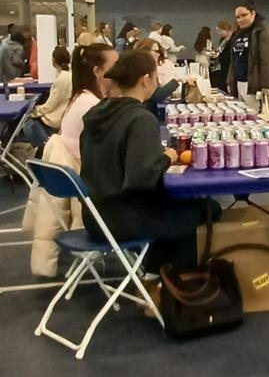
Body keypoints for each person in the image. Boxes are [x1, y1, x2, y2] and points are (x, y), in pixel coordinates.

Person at [79, 49, 216, 273]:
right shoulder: (140, 119)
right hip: (121, 218)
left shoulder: (97, 114)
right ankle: (177, 283)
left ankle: (155, 273)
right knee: (204, 210)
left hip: (94, 214)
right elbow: (141, 179)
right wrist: (167, 158)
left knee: (175, 207)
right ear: (145, 80)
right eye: (156, 77)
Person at [60, 41, 117, 164]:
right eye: (115, 67)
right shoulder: (92, 107)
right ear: (97, 71)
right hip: (86, 170)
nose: (121, 71)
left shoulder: (83, 98)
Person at [226, 1, 269, 100]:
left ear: (253, 13)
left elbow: (266, 63)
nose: (240, 19)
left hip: (254, 86)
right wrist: (230, 81)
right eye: (237, 17)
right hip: (238, 83)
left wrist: (266, 87)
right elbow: (233, 60)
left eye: (244, 15)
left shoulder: (262, 33)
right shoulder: (237, 34)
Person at [32, 46, 76, 132]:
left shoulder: (61, 79)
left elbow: (50, 105)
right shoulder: (71, 75)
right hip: (65, 114)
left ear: (54, 60)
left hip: (57, 118)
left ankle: (45, 140)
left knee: (29, 125)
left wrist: (37, 110)